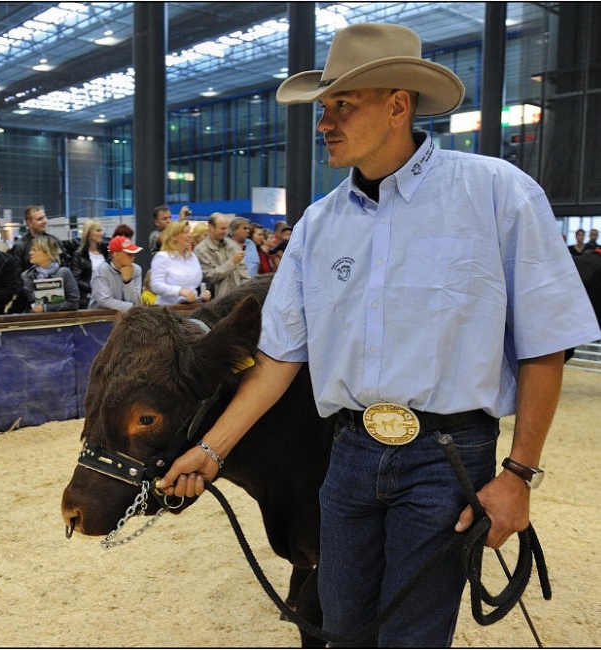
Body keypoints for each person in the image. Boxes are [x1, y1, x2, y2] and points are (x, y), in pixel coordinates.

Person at [159, 22, 600, 648]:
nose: (325, 122)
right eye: (324, 107)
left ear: (398, 104)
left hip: (447, 456)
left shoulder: (497, 194)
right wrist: (212, 449)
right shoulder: (317, 224)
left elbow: (546, 342)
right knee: (341, 631)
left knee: (411, 640)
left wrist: (519, 475)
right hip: (348, 457)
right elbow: (279, 358)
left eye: (344, 104)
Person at [150, 219, 210, 305]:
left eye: (190, 232)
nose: (189, 235)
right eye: (185, 232)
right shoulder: (162, 257)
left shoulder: (192, 256)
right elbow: (156, 285)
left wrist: (203, 294)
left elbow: (194, 285)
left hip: (192, 307)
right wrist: (179, 291)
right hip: (168, 309)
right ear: (174, 236)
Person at [14, 235, 78, 313]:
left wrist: (46, 308)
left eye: (34, 250)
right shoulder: (26, 276)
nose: (30, 253)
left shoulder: (64, 273)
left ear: (47, 254)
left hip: (61, 320)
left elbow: (73, 303)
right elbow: (30, 302)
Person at [193, 212, 248, 300]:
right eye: (222, 228)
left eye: (227, 228)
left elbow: (244, 273)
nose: (226, 232)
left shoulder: (233, 246)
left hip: (238, 299)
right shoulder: (201, 250)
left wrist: (246, 292)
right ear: (211, 227)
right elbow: (210, 276)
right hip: (217, 303)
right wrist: (232, 262)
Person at [89, 235, 143, 312]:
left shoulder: (137, 269)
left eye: (134, 254)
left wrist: (127, 281)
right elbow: (104, 301)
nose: (133, 257)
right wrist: (131, 307)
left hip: (127, 317)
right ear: (116, 255)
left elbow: (136, 301)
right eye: (129, 254)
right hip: (100, 318)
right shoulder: (101, 271)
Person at [11, 205, 70, 273]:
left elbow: (65, 263)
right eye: (40, 219)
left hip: (55, 282)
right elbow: (16, 273)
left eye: (45, 217)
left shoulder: (55, 241)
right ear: (29, 223)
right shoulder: (20, 246)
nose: (44, 221)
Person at [72, 219, 107, 309]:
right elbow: (77, 279)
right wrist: (95, 288)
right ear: (89, 234)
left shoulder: (107, 252)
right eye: (98, 231)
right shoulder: (78, 255)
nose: (101, 234)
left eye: (101, 230)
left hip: (108, 296)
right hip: (88, 298)